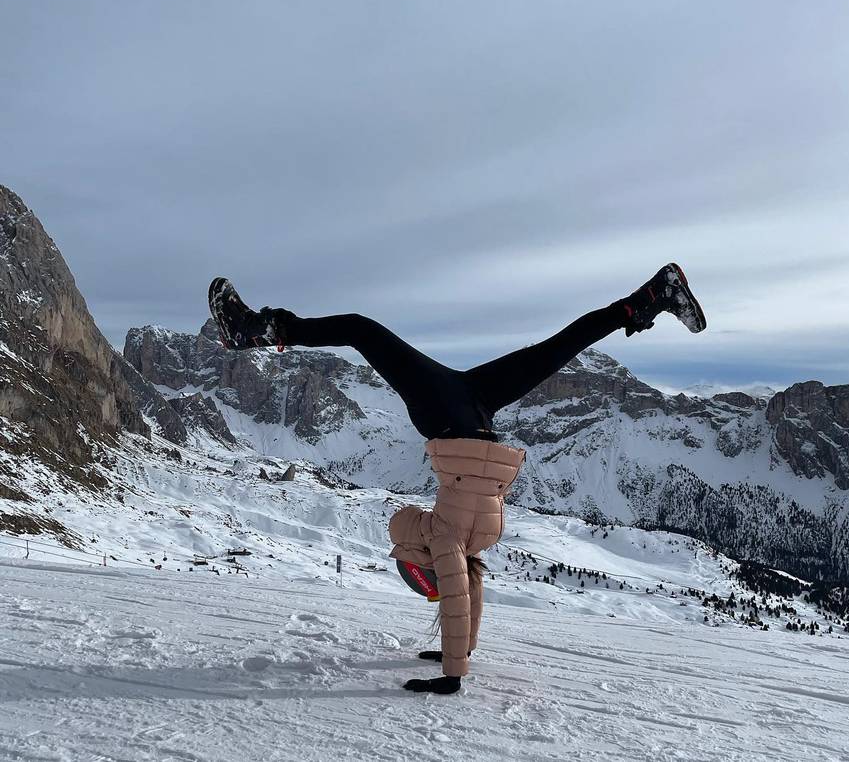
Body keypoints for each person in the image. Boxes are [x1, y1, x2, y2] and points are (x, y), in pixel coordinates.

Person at [208, 264, 706, 694]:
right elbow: (457, 595)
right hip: (450, 418)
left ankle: (645, 301)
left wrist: (463, 649)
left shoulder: (474, 542)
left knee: (556, 349)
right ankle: (255, 330)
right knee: (362, 330)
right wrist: (451, 673)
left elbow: (468, 594)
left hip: (482, 420)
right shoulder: (445, 541)